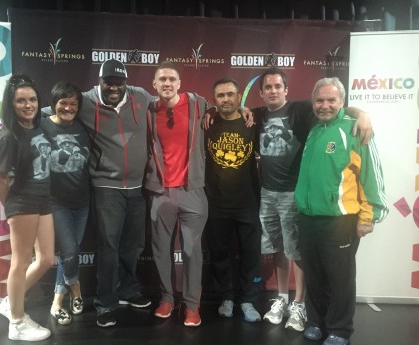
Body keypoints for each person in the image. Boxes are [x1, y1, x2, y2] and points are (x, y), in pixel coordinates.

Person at [253, 67, 372, 332]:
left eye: (277, 86)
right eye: (268, 87)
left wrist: (362, 114)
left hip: (298, 197)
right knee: (281, 250)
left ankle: (301, 305)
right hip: (272, 196)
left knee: (300, 254)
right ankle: (283, 300)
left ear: (286, 89)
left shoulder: (304, 111)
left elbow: (335, 107)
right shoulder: (259, 115)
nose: (273, 90)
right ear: (261, 92)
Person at [295, 77, 388, 345]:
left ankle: (339, 330)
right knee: (314, 275)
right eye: (320, 100)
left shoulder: (355, 130)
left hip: (341, 220)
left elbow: (371, 176)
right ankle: (315, 322)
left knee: (340, 280)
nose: (325, 105)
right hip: (309, 218)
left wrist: (369, 216)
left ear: (342, 102)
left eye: (331, 100)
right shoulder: (314, 130)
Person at [64, 59, 155, 327]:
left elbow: (171, 101)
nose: (114, 87)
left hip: (138, 186)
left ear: (125, 82)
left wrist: (210, 109)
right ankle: (106, 302)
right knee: (108, 247)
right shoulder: (86, 101)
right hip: (106, 187)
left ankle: (128, 290)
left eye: (119, 82)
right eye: (108, 82)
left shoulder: (140, 96)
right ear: (100, 81)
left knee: (133, 245)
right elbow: (54, 109)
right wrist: (14, 122)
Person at [145, 61, 210, 327]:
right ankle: (167, 299)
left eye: (172, 79)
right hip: (160, 191)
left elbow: (227, 108)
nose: (167, 83)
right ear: (155, 84)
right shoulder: (148, 109)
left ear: (180, 83)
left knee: (193, 250)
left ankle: (192, 305)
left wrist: (241, 110)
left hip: (192, 189)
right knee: (162, 249)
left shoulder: (198, 104)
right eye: (162, 80)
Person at [0, 74, 54, 341]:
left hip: (43, 199)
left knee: (46, 260)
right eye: (20, 101)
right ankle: (17, 322)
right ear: (11, 103)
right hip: (22, 202)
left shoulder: (38, 126)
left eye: (32, 99)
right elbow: (0, 178)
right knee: (19, 263)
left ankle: (11, 302)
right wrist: (10, 207)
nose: (28, 105)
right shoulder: (7, 135)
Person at [204, 78, 262, 323]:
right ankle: (226, 297)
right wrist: (207, 111)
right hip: (216, 202)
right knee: (220, 254)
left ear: (239, 97)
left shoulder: (253, 123)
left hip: (248, 201)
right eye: (220, 95)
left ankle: (248, 300)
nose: (225, 99)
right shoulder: (206, 123)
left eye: (230, 94)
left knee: (250, 254)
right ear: (214, 100)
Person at [40, 82, 91, 325]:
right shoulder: (41, 124)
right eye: (63, 102)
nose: (68, 108)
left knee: (69, 254)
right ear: (54, 103)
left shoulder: (83, 127)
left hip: (82, 202)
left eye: (73, 104)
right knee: (70, 251)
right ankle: (76, 289)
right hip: (55, 202)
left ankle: (56, 301)